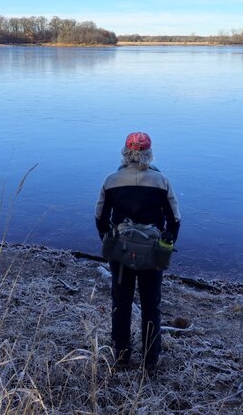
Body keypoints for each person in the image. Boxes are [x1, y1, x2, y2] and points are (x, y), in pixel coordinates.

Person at [95, 131, 181, 373]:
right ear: (149, 154)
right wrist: (167, 244)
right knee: (151, 305)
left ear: (125, 152)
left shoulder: (110, 180)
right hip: (152, 255)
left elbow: (100, 218)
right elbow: (175, 221)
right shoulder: (161, 181)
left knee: (121, 303)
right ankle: (150, 360)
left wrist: (109, 241)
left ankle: (121, 355)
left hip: (121, 254)